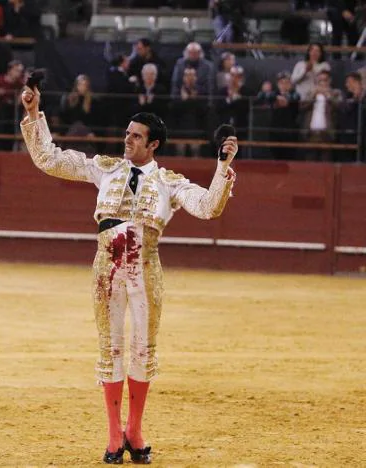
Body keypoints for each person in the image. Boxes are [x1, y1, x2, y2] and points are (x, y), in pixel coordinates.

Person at [20, 83, 238, 465]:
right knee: (110, 349)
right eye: (127, 134)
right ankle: (111, 434)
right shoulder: (104, 168)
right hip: (107, 266)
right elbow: (49, 159)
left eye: (136, 137)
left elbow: (207, 207)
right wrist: (35, 113)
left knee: (142, 350)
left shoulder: (170, 181)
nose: (128, 141)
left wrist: (221, 167)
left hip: (145, 268)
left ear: (153, 145)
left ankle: (134, 431)